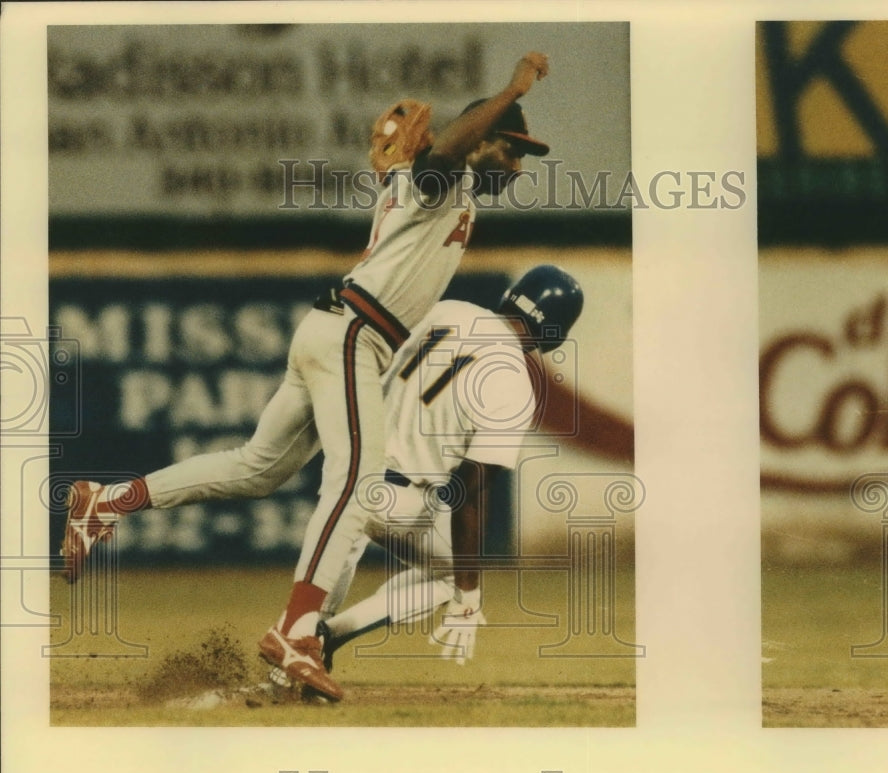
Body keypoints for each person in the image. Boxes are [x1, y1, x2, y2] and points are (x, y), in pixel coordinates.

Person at [60, 52, 551, 703]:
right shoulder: (442, 181)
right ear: (480, 139)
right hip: (354, 333)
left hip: (335, 330)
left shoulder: (439, 186)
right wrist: (511, 88)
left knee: (257, 466)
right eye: (511, 151)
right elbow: (449, 152)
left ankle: (108, 500)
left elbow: (445, 155)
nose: (518, 167)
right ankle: (297, 629)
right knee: (357, 482)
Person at [310, 264, 584, 681]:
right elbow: (470, 491)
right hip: (399, 500)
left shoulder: (447, 311)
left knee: (314, 597)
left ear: (512, 296)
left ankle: (305, 641)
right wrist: (468, 596)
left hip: (345, 469)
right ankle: (327, 637)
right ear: (555, 331)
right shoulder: (513, 382)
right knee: (449, 576)